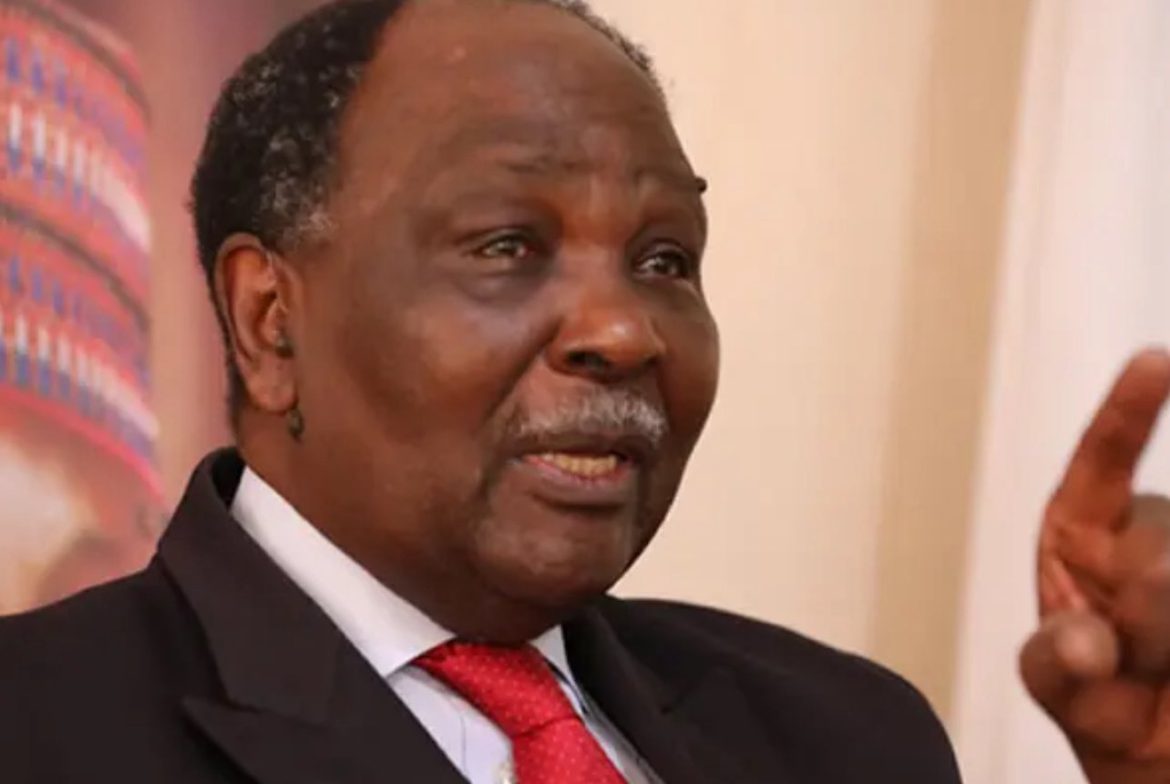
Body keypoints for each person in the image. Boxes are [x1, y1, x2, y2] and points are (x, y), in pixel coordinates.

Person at [1, 1, 1167, 781]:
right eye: (508, 244)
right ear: (270, 318)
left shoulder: (848, 736)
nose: (624, 330)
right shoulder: (41, 728)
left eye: (665, 259)